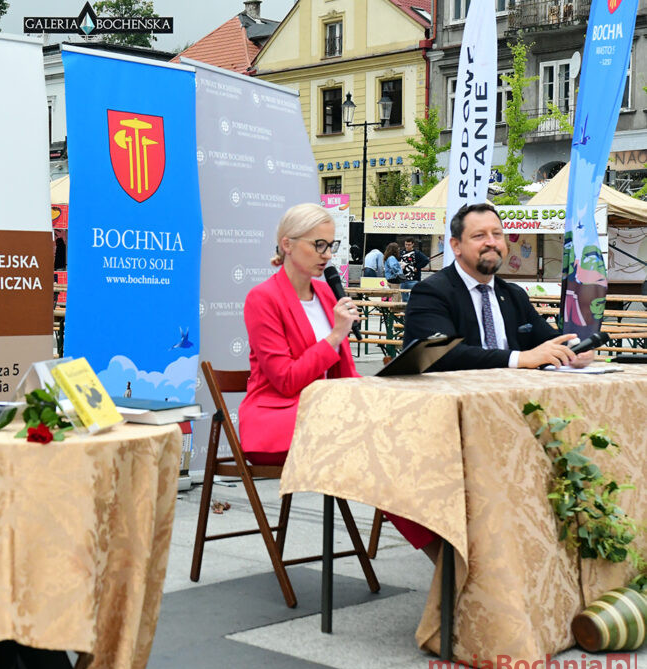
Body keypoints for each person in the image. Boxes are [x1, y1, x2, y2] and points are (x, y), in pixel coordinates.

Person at [238, 203, 435, 552]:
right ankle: (442, 554)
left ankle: (447, 545)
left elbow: (345, 373)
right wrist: (334, 336)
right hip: (279, 419)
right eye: (319, 245)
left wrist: (381, 386)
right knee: (381, 446)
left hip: (329, 414)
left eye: (331, 246)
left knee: (410, 432)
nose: (327, 255)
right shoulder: (263, 299)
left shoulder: (328, 293)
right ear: (287, 244)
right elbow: (285, 380)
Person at [403, 202, 595, 371]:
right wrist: (520, 358)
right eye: (479, 235)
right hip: (454, 398)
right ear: (456, 246)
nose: (491, 243)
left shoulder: (514, 295)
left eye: (497, 234)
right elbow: (441, 354)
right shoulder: (431, 293)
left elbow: (547, 339)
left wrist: (574, 350)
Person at [398, 236, 430, 301]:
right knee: (404, 298)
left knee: (415, 297)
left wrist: (417, 267)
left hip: (414, 279)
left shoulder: (417, 253)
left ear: (413, 244)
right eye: (406, 244)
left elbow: (426, 260)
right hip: (403, 279)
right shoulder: (402, 252)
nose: (407, 246)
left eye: (409, 245)